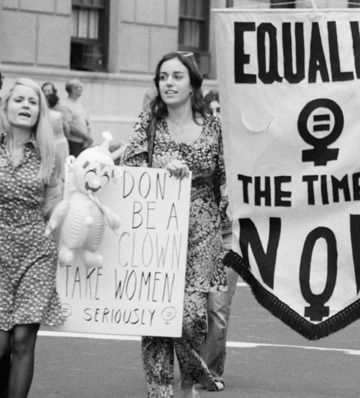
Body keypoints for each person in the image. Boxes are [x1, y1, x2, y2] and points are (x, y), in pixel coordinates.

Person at [121, 51, 225, 398]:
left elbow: (227, 179)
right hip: (156, 230)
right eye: (163, 76)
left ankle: (189, 382)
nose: (168, 82)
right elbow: (128, 173)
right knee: (154, 319)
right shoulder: (147, 125)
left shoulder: (213, 127)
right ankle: (160, 394)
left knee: (192, 318)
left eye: (177, 76)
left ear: (193, 83)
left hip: (202, 231)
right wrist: (161, 174)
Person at [0, 78, 64, 398]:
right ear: (5, 105)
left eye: (32, 102)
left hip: (35, 253)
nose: (26, 106)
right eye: (19, 100)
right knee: (1, 344)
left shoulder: (49, 154)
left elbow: (56, 202)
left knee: (23, 340)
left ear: (40, 111)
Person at [200, 88, 235, 388]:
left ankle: (211, 372)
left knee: (218, 309)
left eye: (221, 111)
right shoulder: (196, 149)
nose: (215, 117)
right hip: (196, 235)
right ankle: (194, 363)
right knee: (194, 309)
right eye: (210, 111)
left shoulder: (245, 153)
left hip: (230, 236)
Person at [59, 79, 92, 156]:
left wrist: (87, 137)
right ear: (73, 90)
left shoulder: (78, 103)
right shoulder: (65, 105)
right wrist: (86, 137)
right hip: (73, 143)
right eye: (79, 87)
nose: (82, 89)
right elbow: (69, 126)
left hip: (83, 142)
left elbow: (85, 121)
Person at [43, 91, 70, 173]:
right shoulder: (59, 115)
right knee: (63, 166)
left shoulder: (43, 115)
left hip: (47, 142)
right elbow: (67, 129)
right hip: (60, 142)